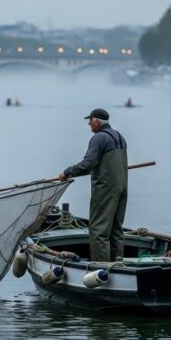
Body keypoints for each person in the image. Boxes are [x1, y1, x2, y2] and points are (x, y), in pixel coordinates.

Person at [58, 108, 128, 262]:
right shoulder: (119, 137)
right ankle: (118, 264)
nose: (89, 124)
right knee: (116, 229)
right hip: (122, 188)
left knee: (98, 230)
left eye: (90, 120)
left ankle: (100, 269)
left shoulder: (98, 138)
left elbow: (88, 164)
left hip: (106, 189)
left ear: (96, 121)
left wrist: (67, 172)